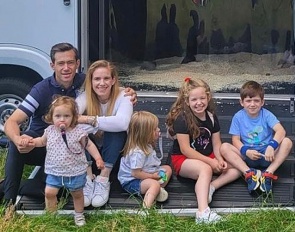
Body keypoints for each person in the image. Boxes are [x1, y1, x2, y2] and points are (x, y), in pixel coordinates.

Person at [2, 42, 136, 208]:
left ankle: (23, 184)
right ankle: (8, 199)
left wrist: (127, 92)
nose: (66, 68)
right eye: (60, 63)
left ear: (77, 64)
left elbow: (105, 82)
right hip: (45, 143)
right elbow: (12, 121)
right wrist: (17, 139)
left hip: (74, 148)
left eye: (70, 63)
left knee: (66, 191)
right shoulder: (41, 90)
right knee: (17, 144)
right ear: (52, 65)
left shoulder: (85, 81)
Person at [166, 77, 240, 224]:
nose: (199, 103)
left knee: (236, 168)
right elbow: (185, 149)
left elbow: (216, 142)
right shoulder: (182, 119)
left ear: (208, 97)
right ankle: (202, 213)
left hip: (209, 155)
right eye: (194, 99)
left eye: (202, 98)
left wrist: (219, 159)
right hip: (183, 159)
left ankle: (211, 187)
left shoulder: (211, 117)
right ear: (187, 102)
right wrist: (211, 162)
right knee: (206, 169)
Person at [21, 96, 104, 226]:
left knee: (77, 194)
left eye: (66, 116)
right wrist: (32, 142)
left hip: (74, 171)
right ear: (51, 117)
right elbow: (41, 141)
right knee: (49, 193)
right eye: (58, 116)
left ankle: (79, 214)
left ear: (73, 117)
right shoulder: (50, 131)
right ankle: (51, 215)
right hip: (55, 171)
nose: (62, 119)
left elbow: (89, 145)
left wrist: (98, 158)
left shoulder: (78, 132)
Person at [76, 60, 134, 208]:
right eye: (97, 79)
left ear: (113, 80)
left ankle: (103, 178)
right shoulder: (84, 97)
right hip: (90, 153)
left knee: (117, 131)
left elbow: (122, 123)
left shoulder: (124, 96)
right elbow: (70, 120)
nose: (102, 83)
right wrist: (97, 128)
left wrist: (89, 120)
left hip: (115, 153)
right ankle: (87, 178)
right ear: (90, 81)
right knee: (77, 132)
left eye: (106, 78)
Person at [220, 81, 292, 194]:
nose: (252, 104)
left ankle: (268, 174)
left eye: (256, 100)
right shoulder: (238, 117)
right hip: (248, 154)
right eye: (248, 101)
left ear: (262, 102)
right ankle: (249, 174)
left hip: (267, 154)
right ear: (242, 102)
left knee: (287, 142)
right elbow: (235, 140)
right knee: (224, 147)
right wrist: (246, 151)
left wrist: (272, 146)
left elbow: (281, 131)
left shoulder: (266, 114)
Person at [118, 111, 172, 208]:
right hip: (133, 181)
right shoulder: (137, 153)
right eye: (155, 129)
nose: (159, 130)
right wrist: (152, 177)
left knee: (167, 169)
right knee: (154, 184)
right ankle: (146, 207)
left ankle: (159, 188)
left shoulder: (146, 144)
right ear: (145, 134)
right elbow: (135, 173)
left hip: (147, 171)